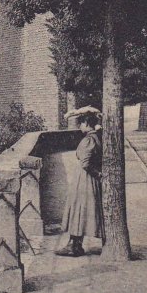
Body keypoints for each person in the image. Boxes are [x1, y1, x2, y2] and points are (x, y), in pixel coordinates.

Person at [56, 110, 105, 257]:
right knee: (82, 210)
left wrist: (97, 174)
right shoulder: (97, 136)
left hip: (85, 179)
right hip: (88, 178)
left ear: (87, 124)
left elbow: (85, 163)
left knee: (79, 209)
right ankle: (75, 244)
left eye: (81, 123)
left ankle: (74, 246)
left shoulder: (88, 140)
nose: (80, 127)